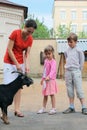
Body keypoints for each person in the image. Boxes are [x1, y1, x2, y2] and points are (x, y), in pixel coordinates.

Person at [3, 19, 37, 117]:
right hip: (9, 62)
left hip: (20, 62)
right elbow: (9, 49)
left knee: (18, 86)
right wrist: (16, 64)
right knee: (7, 87)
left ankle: (17, 110)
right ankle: (4, 112)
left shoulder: (30, 39)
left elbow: (27, 54)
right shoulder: (15, 33)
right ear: (24, 27)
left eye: (31, 32)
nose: (29, 34)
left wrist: (27, 65)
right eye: (28, 31)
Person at [63, 32, 87, 115]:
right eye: (68, 42)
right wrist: (67, 70)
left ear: (76, 42)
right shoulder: (66, 51)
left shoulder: (79, 51)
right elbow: (67, 59)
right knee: (69, 89)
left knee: (79, 89)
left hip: (76, 71)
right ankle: (71, 107)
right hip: (68, 71)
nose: (69, 43)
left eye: (71, 42)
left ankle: (84, 107)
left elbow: (81, 61)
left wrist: (78, 71)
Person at [37, 45, 58, 115]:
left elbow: (53, 71)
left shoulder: (53, 61)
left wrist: (49, 77)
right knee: (45, 95)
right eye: (46, 54)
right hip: (46, 80)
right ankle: (43, 108)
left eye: (49, 54)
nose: (48, 55)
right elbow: (45, 70)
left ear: (52, 53)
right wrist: (43, 79)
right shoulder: (46, 61)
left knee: (52, 94)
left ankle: (54, 108)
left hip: (51, 80)